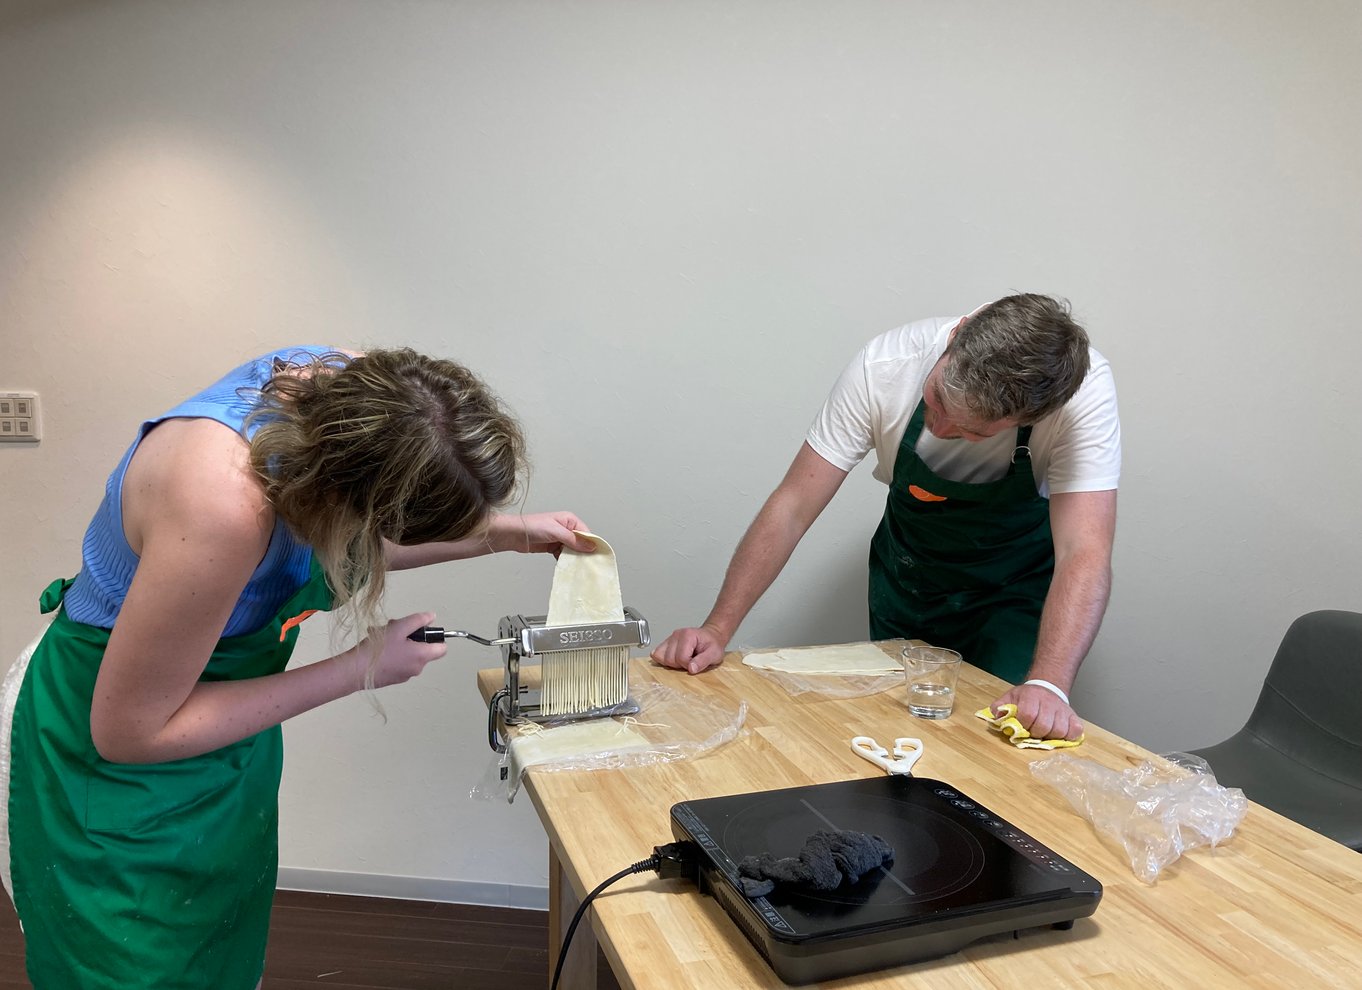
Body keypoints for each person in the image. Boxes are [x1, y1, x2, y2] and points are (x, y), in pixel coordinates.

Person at [0, 346, 593, 989]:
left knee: (216, 957)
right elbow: (130, 732)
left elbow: (339, 534)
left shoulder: (342, 385)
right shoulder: (223, 506)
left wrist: (506, 532)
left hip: (215, 743)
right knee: (131, 967)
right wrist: (360, 667)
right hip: (106, 751)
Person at [652, 293, 1120, 742]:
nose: (939, 428)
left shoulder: (1082, 397)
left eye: (971, 432)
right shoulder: (884, 367)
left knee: (996, 745)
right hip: (910, 578)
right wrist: (717, 628)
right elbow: (793, 505)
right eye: (936, 401)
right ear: (956, 338)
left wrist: (1050, 685)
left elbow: (1085, 550)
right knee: (905, 738)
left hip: (1013, 594)